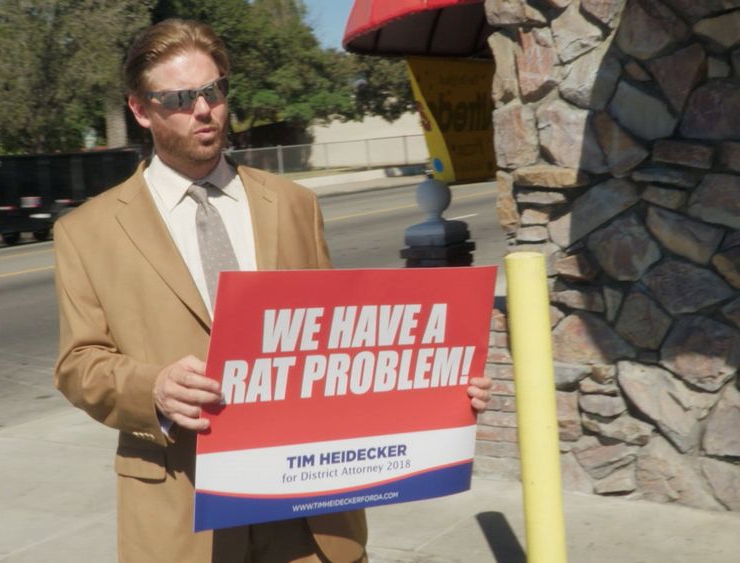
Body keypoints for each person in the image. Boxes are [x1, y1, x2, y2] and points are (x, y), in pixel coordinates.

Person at [52, 19, 493, 563]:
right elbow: (79, 364)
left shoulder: (293, 205)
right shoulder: (87, 232)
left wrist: (435, 393)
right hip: (181, 513)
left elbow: (342, 346)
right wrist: (154, 389)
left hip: (308, 513)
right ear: (141, 110)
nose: (203, 110)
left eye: (213, 91)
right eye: (180, 97)